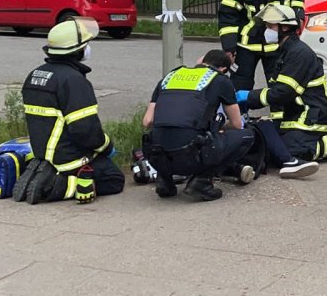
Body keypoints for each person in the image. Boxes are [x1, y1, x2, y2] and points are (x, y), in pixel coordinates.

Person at [17, 17, 125, 204]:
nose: (88, 47)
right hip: (69, 160)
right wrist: (107, 147)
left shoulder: (35, 75)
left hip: (42, 155)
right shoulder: (73, 81)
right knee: (114, 178)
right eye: (85, 44)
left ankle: (42, 174)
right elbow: (85, 130)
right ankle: (57, 185)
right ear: (77, 50)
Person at [237, 4, 327, 170]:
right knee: (266, 146)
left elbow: (283, 92)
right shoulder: (285, 50)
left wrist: (248, 97)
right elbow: (278, 90)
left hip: (312, 117)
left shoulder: (299, 53)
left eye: (270, 26)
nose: (266, 31)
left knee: (288, 152)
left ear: (285, 27)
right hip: (295, 114)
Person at [141, 50, 257, 201]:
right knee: (246, 135)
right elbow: (237, 124)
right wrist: (218, 130)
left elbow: (147, 121)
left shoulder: (170, 76)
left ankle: (165, 180)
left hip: (157, 154)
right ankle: (202, 182)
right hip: (190, 154)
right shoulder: (220, 80)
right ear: (223, 69)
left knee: (167, 136)